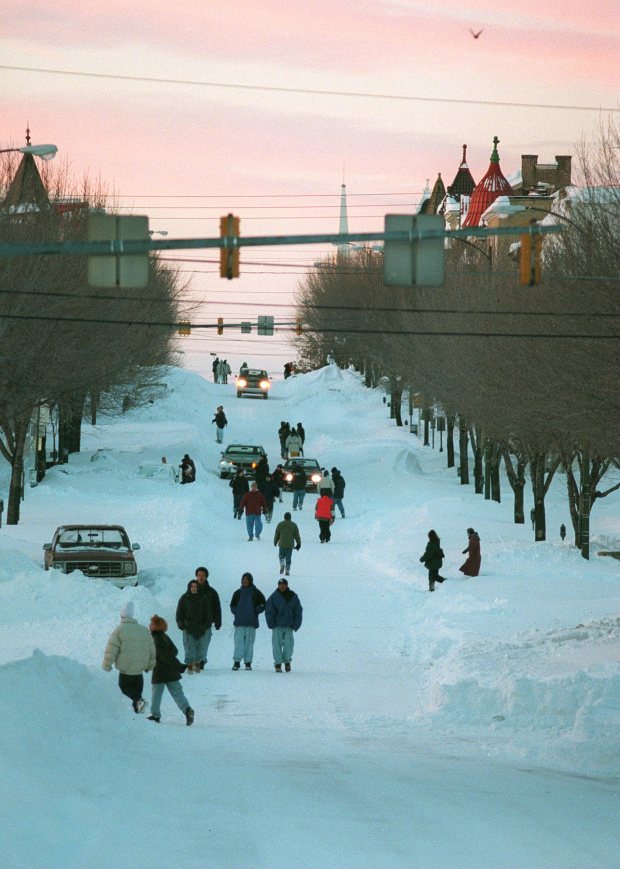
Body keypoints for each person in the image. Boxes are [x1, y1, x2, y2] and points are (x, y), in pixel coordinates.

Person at [102, 601, 156, 714]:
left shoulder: (119, 630)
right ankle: (138, 712)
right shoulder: (143, 630)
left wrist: (107, 664)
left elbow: (112, 648)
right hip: (139, 671)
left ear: (122, 615)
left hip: (126, 670)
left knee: (125, 688)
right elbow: (151, 649)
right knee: (137, 692)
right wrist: (150, 664)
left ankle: (138, 703)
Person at [147, 615, 194, 726]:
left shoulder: (155, 639)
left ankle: (155, 715)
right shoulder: (164, 636)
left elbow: (165, 656)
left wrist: (180, 667)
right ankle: (187, 710)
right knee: (177, 693)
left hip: (159, 671)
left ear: (157, 626)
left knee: (156, 694)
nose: (150, 625)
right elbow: (174, 651)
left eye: (152, 624)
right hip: (171, 671)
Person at [229, 572, 266, 671]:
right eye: (243, 579)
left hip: (251, 623)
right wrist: (237, 612)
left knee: (249, 644)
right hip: (239, 623)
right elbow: (232, 606)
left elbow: (263, 604)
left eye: (247, 579)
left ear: (250, 581)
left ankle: (248, 663)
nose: (245, 581)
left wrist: (256, 611)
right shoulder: (237, 593)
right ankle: (236, 662)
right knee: (238, 643)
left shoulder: (256, 592)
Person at [265, 578, 303, 672]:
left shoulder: (293, 596)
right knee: (276, 645)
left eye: (284, 584)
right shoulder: (273, 597)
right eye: (280, 584)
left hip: (289, 626)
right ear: (278, 585)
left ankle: (287, 662)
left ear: (287, 585)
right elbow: (269, 611)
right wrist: (271, 623)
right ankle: (278, 663)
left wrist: (296, 624)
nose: (282, 586)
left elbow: (298, 611)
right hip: (277, 625)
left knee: (289, 645)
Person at [175, 579, 213, 673]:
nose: (194, 588)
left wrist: (207, 624)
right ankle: (190, 665)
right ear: (189, 588)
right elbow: (179, 613)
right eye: (192, 587)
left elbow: (209, 613)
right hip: (188, 627)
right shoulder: (184, 598)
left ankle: (198, 664)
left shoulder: (203, 598)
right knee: (189, 647)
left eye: (196, 587)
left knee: (201, 647)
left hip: (202, 627)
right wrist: (181, 625)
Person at [195, 566, 222, 669]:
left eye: (203, 575)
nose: (201, 577)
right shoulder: (192, 590)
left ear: (206, 577)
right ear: (196, 576)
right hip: (194, 622)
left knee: (204, 643)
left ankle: (201, 660)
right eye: (199, 575)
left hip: (206, 622)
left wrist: (217, 622)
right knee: (194, 643)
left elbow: (217, 608)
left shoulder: (212, 592)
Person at [273, 511, 301, 575]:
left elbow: (277, 534)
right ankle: (287, 570)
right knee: (288, 557)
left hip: (282, 544)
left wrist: (275, 541)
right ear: (290, 517)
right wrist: (299, 543)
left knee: (281, 556)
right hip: (290, 544)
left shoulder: (280, 524)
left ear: (284, 517)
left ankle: (282, 565)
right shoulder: (294, 525)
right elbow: (297, 535)